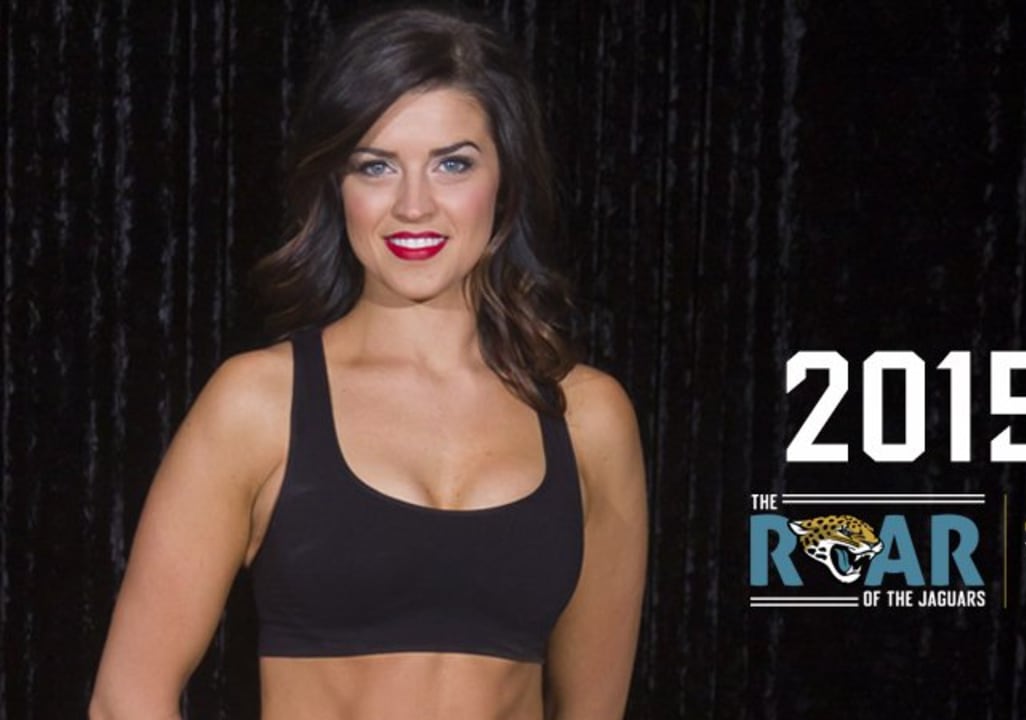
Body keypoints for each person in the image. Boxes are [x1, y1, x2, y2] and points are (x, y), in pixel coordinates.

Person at [89, 7, 647, 719]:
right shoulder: (258, 404)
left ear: (505, 182)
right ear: (338, 185)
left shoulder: (589, 418)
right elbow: (126, 699)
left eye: (452, 164)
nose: (414, 205)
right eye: (376, 166)